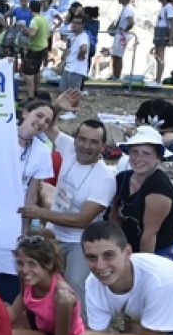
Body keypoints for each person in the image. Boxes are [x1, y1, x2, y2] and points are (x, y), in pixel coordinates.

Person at [19, 119, 116, 304]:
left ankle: (82, 329)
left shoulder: (105, 178)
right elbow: (44, 123)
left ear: (103, 146)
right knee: (31, 270)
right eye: (82, 139)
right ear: (75, 138)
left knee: (74, 282)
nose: (86, 146)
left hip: (80, 241)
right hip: (54, 233)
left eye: (94, 142)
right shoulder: (70, 147)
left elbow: (82, 220)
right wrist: (57, 106)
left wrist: (40, 213)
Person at [8, 229, 84, 335]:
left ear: (49, 264)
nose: (24, 270)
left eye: (32, 264)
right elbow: (12, 312)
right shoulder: (27, 280)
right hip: (41, 326)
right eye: (20, 263)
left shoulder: (62, 297)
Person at [110, 127, 173, 263]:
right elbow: (114, 216)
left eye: (146, 153)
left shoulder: (159, 189)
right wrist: (118, 247)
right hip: (128, 245)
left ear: (157, 157)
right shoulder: (122, 178)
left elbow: (150, 235)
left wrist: (142, 267)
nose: (139, 159)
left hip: (157, 251)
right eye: (134, 152)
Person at [16, 101, 57, 233]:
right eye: (39, 115)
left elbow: (32, 193)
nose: (41, 122)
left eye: (47, 121)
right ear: (25, 113)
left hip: (16, 208)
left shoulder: (43, 151)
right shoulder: (1, 136)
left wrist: (24, 230)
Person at [59, 14, 91, 92]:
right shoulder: (72, 35)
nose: (74, 25)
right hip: (68, 68)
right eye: (73, 22)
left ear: (83, 25)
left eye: (77, 23)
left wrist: (81, 55)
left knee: (72, 95)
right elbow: (67, 46)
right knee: (63, 92)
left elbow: (84, 48)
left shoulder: (83, 36)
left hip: (76, 70)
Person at [109, 0, 135, 80]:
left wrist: (124, 30)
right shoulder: (124, 8)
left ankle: (117, 75)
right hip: (119, 35)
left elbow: (131, 22)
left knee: (118, 56)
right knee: (114, 55)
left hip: (122, 36)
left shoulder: (129, 9)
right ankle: (114, 74)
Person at [151, 0, 173, 85]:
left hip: (163, 32)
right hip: (159, 31)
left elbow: (172, 22)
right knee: (157, 56)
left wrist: (170, 38)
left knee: (160, 56)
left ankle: (158, 79)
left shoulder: (169, 7)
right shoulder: (163, 7)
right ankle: (157, 78)